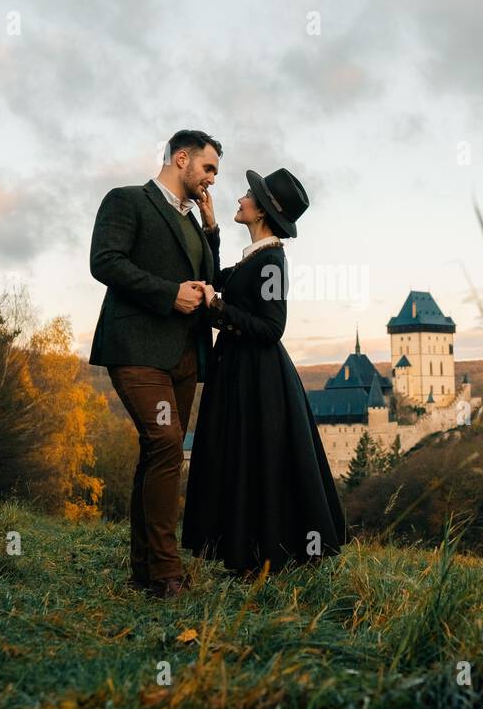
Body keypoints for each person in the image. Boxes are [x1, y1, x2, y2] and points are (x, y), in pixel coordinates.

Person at [182, 167, 347, 577]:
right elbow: (217, 279)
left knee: (254, 460)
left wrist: (216, 308)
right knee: (239, 457)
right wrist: (212, 227)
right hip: (240, 370)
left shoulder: (272, 262)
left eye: (248, 196)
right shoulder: (256, 258)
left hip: (258, 376)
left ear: (261, 213)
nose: (240, 199)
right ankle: (245, 553)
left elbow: (273, 327)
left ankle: (260, 556)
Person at [88, 129, 221, 599]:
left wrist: (211, 232)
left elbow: (209, 277)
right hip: (137, 348)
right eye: (207, 169)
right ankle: (167, 574)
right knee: (167, 444)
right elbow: (104, 262)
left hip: (186, 356)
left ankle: (143, 570)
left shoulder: (195, 219)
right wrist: (168, 295)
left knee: (156, 455)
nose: (212, 180)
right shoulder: (127, 200)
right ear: (180, 158)